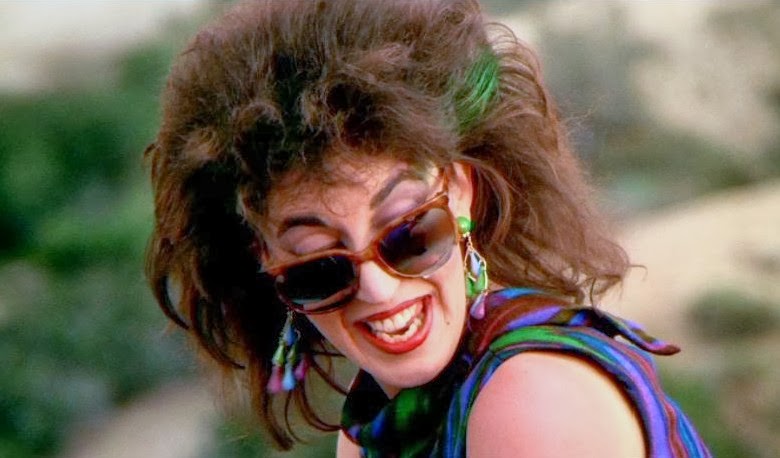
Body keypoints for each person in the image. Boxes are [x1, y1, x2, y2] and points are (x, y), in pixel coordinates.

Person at [145, 0, 711, 456]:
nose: (378, 289)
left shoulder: (534, 401)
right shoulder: (378, 423)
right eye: (321, 267)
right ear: (268, 265)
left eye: (409, 235)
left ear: (461, 193)